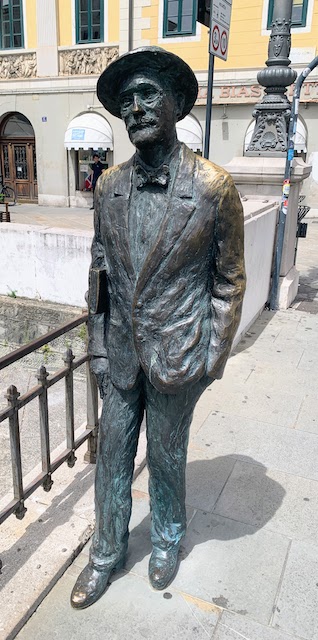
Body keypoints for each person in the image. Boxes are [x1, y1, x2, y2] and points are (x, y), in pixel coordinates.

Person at [71, 46, 246, 610]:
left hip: (179, 351)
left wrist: (211, 358)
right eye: (127, 101)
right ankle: (105, 554)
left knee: (168, 455)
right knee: (112, 455)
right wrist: (96, 349)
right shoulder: (108, 188)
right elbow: (99, 273)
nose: (137, 108)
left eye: (148, 95)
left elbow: (229, 281)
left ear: (175, 103)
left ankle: (168, 539)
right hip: (120, 351)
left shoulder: (214, 187)